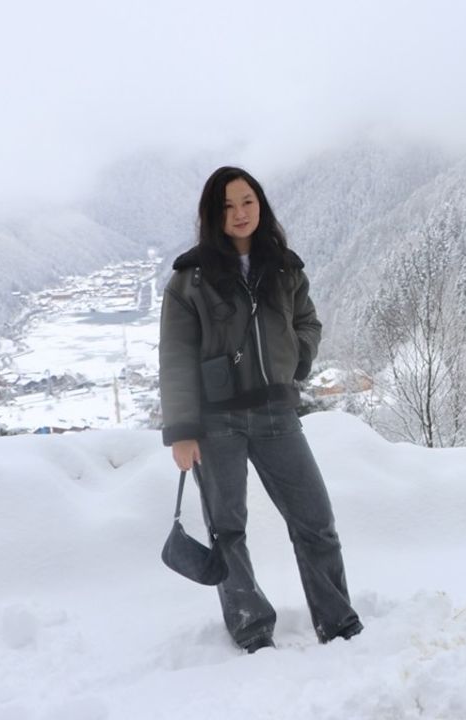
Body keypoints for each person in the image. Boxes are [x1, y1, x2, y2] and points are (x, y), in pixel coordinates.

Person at [159, 166, 362, 652]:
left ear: (261, 204)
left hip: (277, 415)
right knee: (227, 528)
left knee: (316, 521)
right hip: (216, 422)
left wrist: (297, 355)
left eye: (247, 201)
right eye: (227, 206)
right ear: (213, 215)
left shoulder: (285, 267)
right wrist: (182, 431)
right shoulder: (190, 280)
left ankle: (337, 622)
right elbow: (176, 358)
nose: (240, 213)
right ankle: (251, 627)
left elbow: (307, 322)